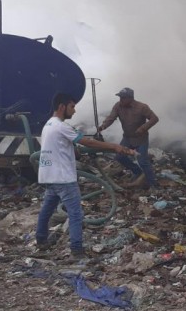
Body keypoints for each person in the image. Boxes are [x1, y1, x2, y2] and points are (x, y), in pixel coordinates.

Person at [36, 93, 135, 258]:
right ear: (62, 106)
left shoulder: (48, 125)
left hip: (49, 176)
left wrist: (74, 151)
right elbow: (88, 142)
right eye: (72, 107)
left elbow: (63, 146)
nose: (74, 111)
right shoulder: (62, 126)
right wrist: (114, 147)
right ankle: (77, 250)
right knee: (75, 214)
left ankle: (41, 240)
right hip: (64, 178)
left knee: (47, 209)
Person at [98, 87, 160, 188]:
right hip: (127, 138)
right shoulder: (118, 106)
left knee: (143, 161)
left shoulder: (142, 107)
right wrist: (103, 126)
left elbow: (154, 118)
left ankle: (152, 183)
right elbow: (111, 118)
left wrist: (143, 128)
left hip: (141, 139)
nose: (120, 100)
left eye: (123, 98)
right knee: (119, 156)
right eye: (120, 98)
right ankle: (137, 172)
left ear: (130, 98)